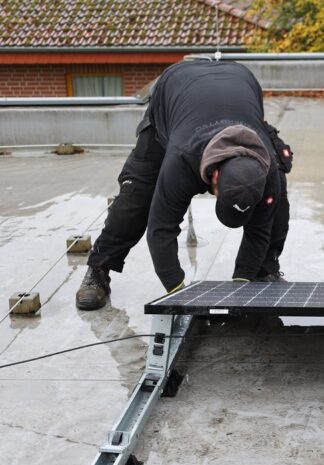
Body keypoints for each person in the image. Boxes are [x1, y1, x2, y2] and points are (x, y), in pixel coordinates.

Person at [76, 60, 293, 310]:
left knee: (278, 206)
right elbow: (161, 228)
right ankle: (99, 270)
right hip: (175, 91)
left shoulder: (268, 172)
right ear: (214, 180)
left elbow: (260, 229)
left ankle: (264, 270)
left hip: (240, 82)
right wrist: (178, 292)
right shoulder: (181, 159)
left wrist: (242, 283)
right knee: (135, 198)